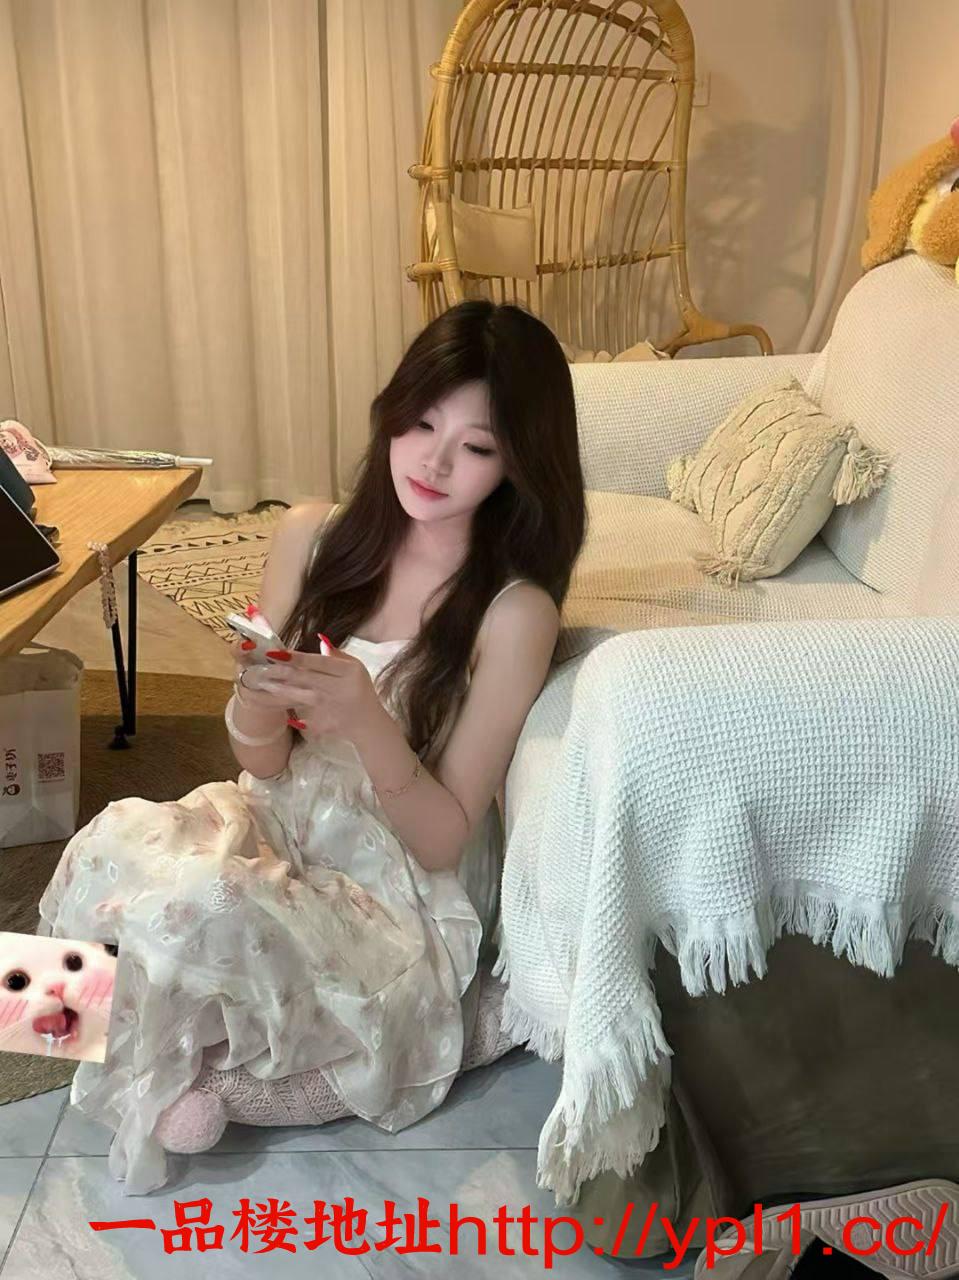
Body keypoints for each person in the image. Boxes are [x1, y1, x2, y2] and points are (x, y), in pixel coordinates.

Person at [35, 298, 587, 1195]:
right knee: (110, 843)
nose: (433, 462)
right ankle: (112, 1037)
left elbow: (444, 838)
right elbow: (261, 764)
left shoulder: (512, 613)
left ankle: (178, 1067)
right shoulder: (312, 534)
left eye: (477, 446)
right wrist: (256, 703)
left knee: (203, 907)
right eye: (420, 423)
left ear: (520, 462)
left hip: (393, 879)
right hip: (277, 817)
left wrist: (368, 723)